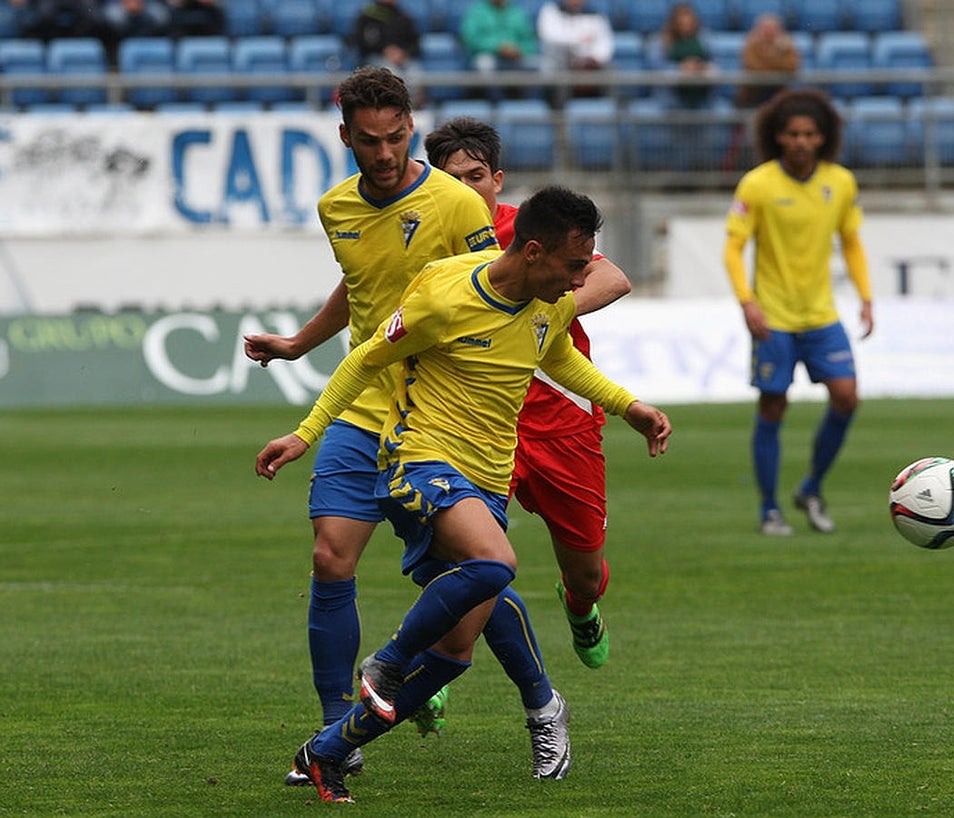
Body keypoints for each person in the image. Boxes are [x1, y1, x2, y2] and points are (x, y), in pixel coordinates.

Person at [256, 184, 672, 803]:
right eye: (573, 265)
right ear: (533, 251)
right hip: (420, 460)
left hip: (487, 480)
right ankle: (389, 662)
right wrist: (306, 433)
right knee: (495, 563)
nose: (580, 280)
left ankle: (328, 752)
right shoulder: (444, 294)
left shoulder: (550, 303)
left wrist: (627, 405)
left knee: (454, 653)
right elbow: (367, 359)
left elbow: (557, 357)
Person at [243, 66, 576, 785]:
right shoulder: (336, 208)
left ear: (410, 129)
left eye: (396, 137)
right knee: (331, 558)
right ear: (346, 138)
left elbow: (497, 290)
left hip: (435, 421)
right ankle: (337, 729)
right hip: (363, 407)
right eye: (370, 141)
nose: (386, 153)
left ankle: (541, 701)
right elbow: (363, 284)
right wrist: (299, 344)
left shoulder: (456, 204)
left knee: (477, 581)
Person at [425, 116, 629, 670]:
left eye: (475, 176)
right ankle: (431, 671)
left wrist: (540, 313)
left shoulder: (529, 232)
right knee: (472, 559)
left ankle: (580, 606)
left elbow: (613, 279)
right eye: (451, 180)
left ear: (497, 179)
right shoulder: (427, 246)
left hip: (562, 419)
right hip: (477, 424)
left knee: (587, 572)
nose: (465, 189)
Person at [722, 88, 874, 536]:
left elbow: (851, 242)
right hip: (774, 317)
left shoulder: (840, 182)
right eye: (793, 134)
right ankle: (770, 508)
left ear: (823, 137)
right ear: (778, 137)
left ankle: (810, 487)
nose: (802, 142)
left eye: (810, 134)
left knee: (847, 397)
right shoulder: (758, 184)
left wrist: (866, 297)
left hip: (821, 314)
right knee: (774, 405)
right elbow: (733, 247)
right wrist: (747, 301)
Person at [536, 0, 614, 101]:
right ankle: (560, 108)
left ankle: (611, 107)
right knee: (561, 73)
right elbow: (550, 37)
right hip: (563, 63)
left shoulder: (596, 15)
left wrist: (594, 59)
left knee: (610, 70)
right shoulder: (551, 11)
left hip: (591, 64)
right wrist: (578, 39)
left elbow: (605, 43)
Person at [459, 0, 540, 78]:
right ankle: (486, 88)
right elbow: (470, 39)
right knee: (484, 63)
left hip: (516, 58)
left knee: (541, 64)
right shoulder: (477, 12)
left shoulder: (517, 12)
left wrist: (519, 50)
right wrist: (497, 47)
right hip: (490, 56)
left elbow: (530, 41)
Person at [656, 2, 714, 108]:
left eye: (690, 23)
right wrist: (681, 68)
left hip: (702, 99)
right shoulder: (662, 42)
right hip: (671, 99)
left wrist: (700, 66)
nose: (686, 26)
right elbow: (657, 69)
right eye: (681, 24)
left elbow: (714, 65)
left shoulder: (705, 39)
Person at [736, 13, 800, 109]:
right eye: (765, 28)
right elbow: (752, 66)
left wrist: (767, 58)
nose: (769, 32)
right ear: (758, 30)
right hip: (753, 92)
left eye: (772, 29)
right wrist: (776, 60)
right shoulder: (750, 44)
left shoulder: (787, 47)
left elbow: (791, 66)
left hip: (779, 92)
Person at [352, 0, 421, 74]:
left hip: (403, 59)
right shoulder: (367, 16)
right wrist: (385, 51)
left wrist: (403, 53)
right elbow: (362, 42)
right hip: (375, 57)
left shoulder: (403, 16)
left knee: (415, 72)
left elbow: (414, 43)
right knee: (390, 72)